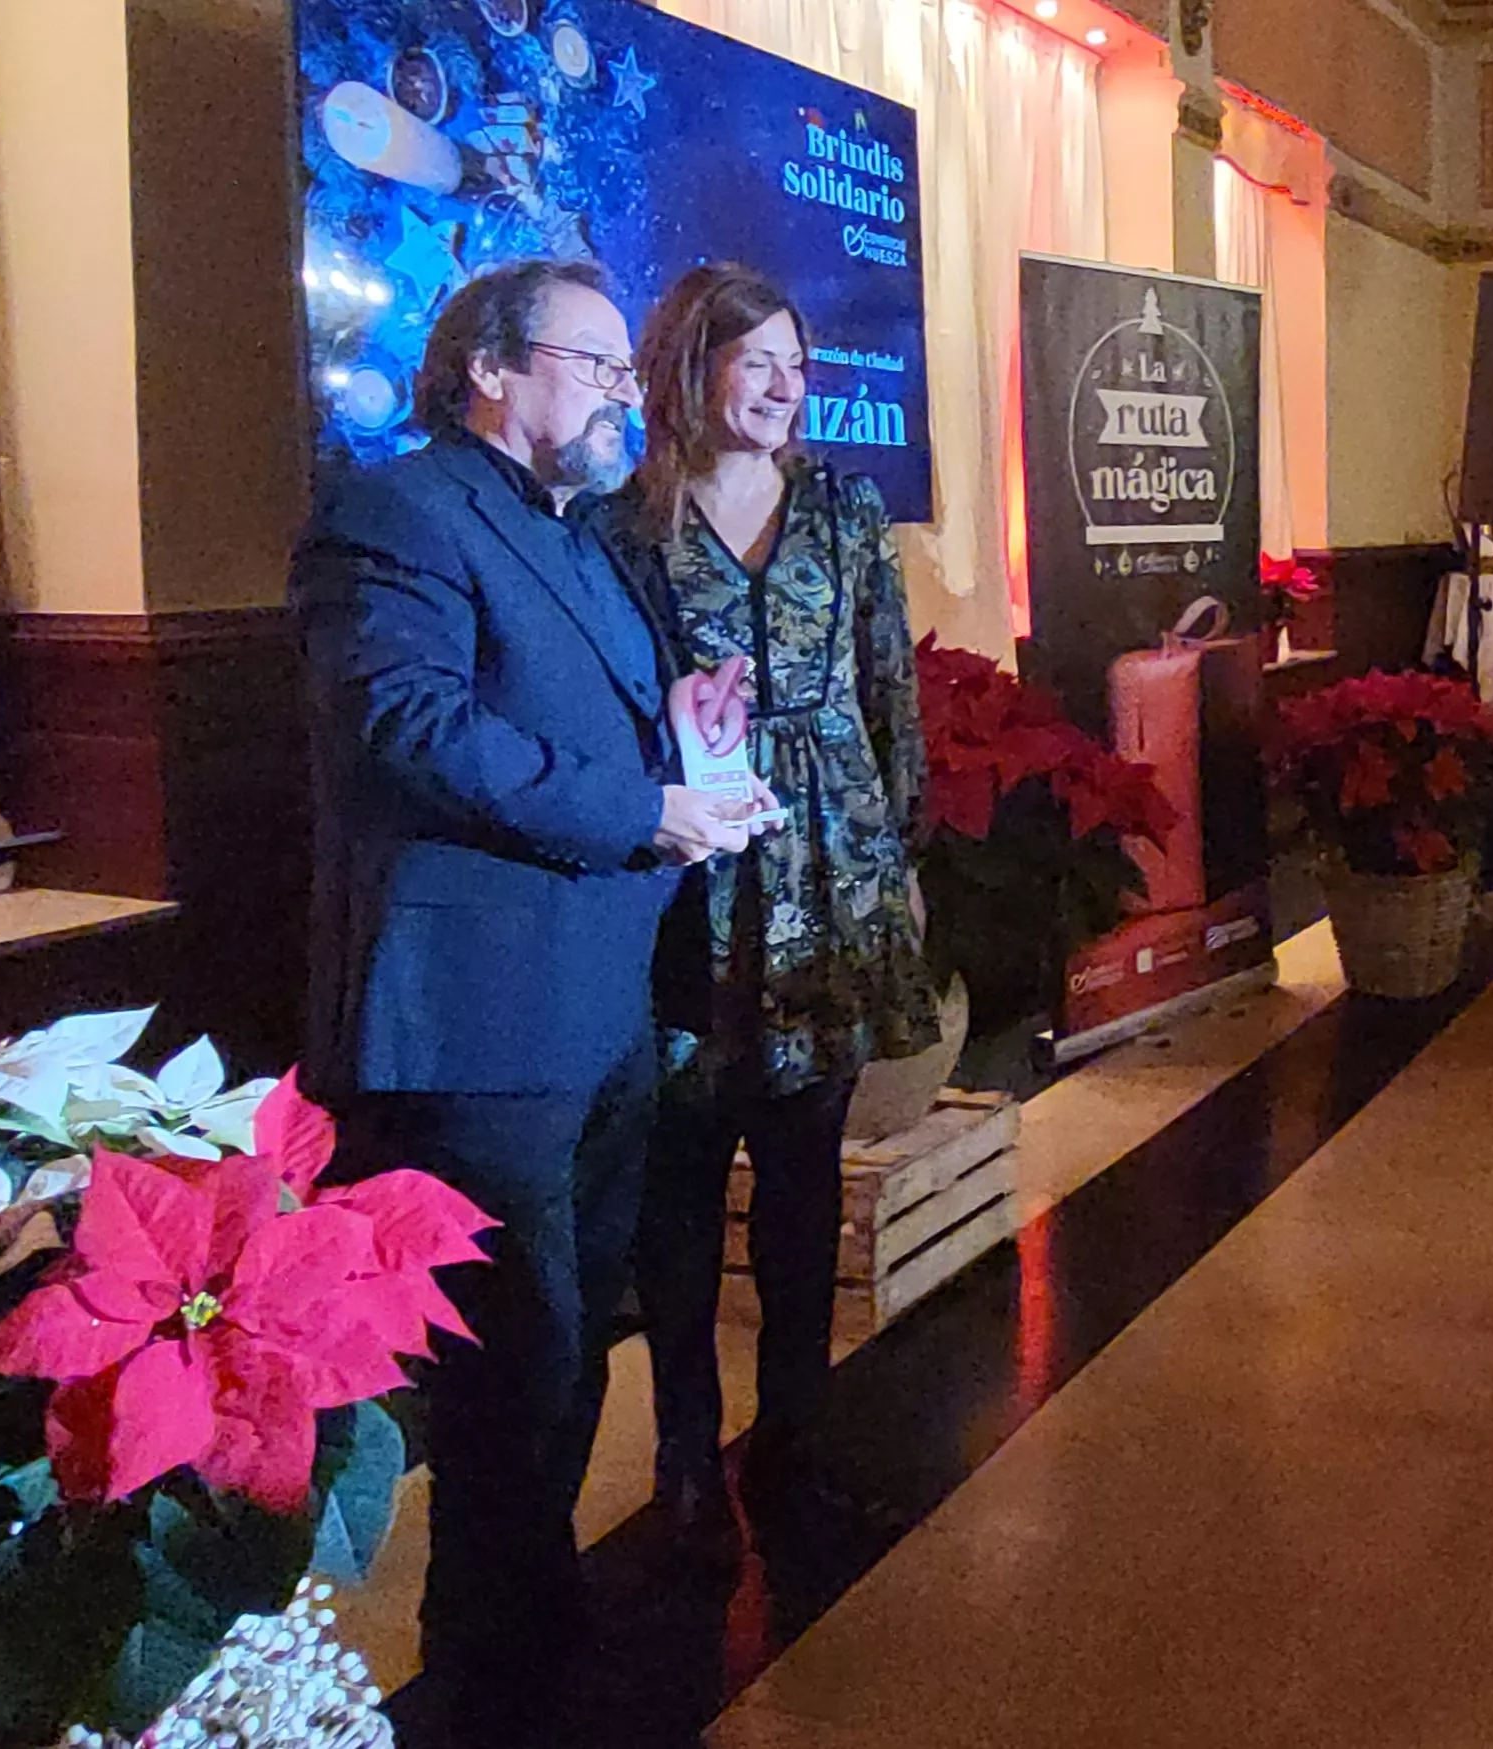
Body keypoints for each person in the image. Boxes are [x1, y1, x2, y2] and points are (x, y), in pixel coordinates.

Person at [293, 260, 770, 1748]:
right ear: (491, 369)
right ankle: (490, 1672)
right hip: (478, 1019)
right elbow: (408, 725)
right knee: (513, 1364)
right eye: (598, 364)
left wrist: (680, 742)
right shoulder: (397, 512)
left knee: (567, 1353)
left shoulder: (572, 532)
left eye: (628, 370)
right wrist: (640, 809)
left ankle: (534, 1625)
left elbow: (582, 727)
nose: (626, 394)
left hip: (599, 1000)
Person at [586, 264, 941, 1550]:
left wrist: (901, 851)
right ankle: (686, 1454)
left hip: (828, 869)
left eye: (799, 364)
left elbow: (886, 685)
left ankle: (796, 1435)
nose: (787, 386)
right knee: (678, 1186)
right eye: (760, 362)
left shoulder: (844, 508)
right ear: (693, 368)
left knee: (800, 1182)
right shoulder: (622, 524)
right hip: (683, 870)